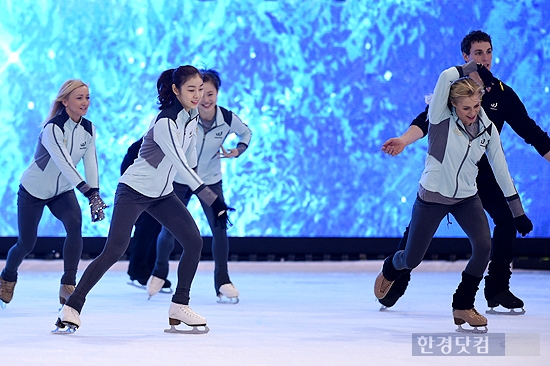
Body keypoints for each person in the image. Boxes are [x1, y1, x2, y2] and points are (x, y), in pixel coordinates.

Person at [380, 30, 550, 314]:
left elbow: (532, 132)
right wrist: (403, 140)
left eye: (489, 52)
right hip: (445, 172)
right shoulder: (451, 91)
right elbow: (425, 122)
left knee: (505, 220)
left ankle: (496, 288)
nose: (484, 59)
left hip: (479, 174)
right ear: (466, 57)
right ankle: (397, 274)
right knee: (418, 231)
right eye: (478, 53)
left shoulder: (503, 95)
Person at [54, 66, 230, 334]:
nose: (197, 96)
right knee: (114, 249)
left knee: (194, 241)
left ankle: (179, 306)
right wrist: (212, 198)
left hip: (162, 194)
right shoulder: (165, 122)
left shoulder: (190, 118)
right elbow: (181, 165)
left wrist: (197, 141)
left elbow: (191, 160)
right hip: (133, 191)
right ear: (176, 90)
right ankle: (72, 307)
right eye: (191, 90)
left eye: (201, 90)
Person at [146, 69, 252, 304]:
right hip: (181, 180)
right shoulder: (184, 117)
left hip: (211, 181)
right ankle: (159, 273)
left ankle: (222, 281)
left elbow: (246, 133)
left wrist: (237, 150)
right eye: (199, 91)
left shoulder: (227, 119)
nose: (204, 98)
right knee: (170, 230)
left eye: (210, 93)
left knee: (219, 229)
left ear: (217, 94)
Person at [0, 80, 107, 308]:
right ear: (65, 101)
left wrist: (95, 191)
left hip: (63, 192)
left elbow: (90, 162)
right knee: (26, 244)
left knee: (74, 225)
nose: (85, 102)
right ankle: (8, 276)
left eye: (87, 97)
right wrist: (88, 193)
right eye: (79, 98)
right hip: (33, 191)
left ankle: (68, 283)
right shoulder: (52, 128)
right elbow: (65, 163)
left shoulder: (89, 128)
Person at [120, 138, 165, 290]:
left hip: (155, 182)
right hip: (139, 182)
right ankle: (137, 271)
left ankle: (149, 270)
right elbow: (133, 153)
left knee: (155, 226)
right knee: (145, 226)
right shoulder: (163, 127)